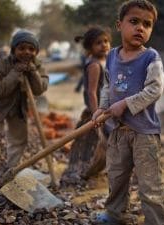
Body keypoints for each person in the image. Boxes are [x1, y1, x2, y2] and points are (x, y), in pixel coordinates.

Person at [92, 0, 164, 224]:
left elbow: (155, 89)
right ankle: (115, 214)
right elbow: (108, 85)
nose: (140, 28)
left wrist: (125, 104)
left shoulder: (151, 57)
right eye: (134, 22)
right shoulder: (113, 56)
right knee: (116, 176)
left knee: (149, 183)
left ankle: (155, 221)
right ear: (119, 25)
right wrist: (102, 108)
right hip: (118, 131)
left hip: (144, 132)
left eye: (147, 24)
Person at [0, 30, 49, 189]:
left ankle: (12, 170)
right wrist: (16, 71)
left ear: (36, 52)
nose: (26, 52)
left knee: (19, 139)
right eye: (22, 48)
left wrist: (32, 71)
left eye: (31, 49)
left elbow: (40, 89)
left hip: (18, 107)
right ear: (14, 49)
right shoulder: (3, 64)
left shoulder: (38, 65)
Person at [61, 26, 111, 184]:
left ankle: (98, 167)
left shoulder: (107, 60)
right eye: (98, 43)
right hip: (96, 111)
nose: (104, 45)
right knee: (88, 142)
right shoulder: (94, 65)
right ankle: (80, 170)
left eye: (106, 41)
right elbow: (91, 92)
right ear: (90, 48)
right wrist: (96, 115)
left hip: (107, 110)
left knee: (105, 141)